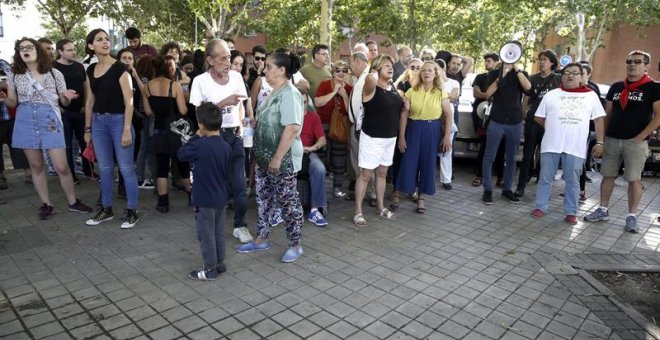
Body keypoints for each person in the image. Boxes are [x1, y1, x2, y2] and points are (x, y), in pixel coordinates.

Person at [1, 37, 92, 219]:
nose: (25, 50)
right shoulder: (14, 75)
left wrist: (66, 96)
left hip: (49, 118)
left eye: (29, 47)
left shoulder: (54, 73)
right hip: (25, 119)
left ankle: (73, 201)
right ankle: (46, 204)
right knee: (36, 165)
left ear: (37, 50)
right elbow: (14, 101)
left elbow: (63, 101)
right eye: (21, 48)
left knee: (62, 166)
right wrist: (3, 99)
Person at [237, 52, 305, 263]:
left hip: (281, 161)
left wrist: (276, 158)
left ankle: (295, 245)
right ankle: (261, 239)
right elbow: (271, 122)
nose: (264, 70)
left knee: (288, 202)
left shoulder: (290, 93)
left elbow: (292, 128)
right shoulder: (273, 92)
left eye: (268, 66)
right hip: (265, 159)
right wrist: (256, 124)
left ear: (282, 70)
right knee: (264, 199)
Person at [584, 50, 660, 233]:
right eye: (629, 61)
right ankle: (603, 209)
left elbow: (658, 116)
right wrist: (601, 140)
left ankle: (631, 216)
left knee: (634, 179)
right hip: (612, 139)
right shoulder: (616, 87)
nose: (632, 64)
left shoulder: (654, 88)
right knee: (607, 175)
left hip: (635, 142)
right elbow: (606, 115)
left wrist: (641, 137)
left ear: (647, 66)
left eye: (638, 62)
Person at [189, 39, 252, 243]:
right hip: (213, 138)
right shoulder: (200, 81)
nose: (228, 62)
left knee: (240, 184)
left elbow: (240, 105)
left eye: (229, 57)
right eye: (223, 58)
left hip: (234, 136)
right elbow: (200, 116)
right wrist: (224, 102)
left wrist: (241, 128)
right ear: (210, 60)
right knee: (216, 186)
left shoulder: (235, 77)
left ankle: (240, 225)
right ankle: (212, 227)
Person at [531, 63, 605, 224]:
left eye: (575, 73)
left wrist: (600, 142)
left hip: (575, 147)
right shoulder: (551, 95)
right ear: (562, 76)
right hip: (551, 144)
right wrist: (552, 127)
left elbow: (599, 120)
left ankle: (571, 211)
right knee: (545, 177)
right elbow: (538, 117)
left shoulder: (591, 95)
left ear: (581, 77)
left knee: (573, 180)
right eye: (567, 73)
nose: (570, 75)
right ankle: (541, 206)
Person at [83, 29, 140, 228]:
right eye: (99, 40)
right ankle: (106, 209)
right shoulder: (90, 70)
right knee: (105, 168)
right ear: (91, 46)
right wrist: (87, 129)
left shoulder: (121, 68)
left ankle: (132, 210)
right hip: (98, 123)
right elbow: (89, 102)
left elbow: (130, 101)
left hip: (119, 121)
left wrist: (126, 128)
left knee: (125, 169)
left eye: (107, 39)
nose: (105, 42)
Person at [177, 102, 231, 281]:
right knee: (218, 232)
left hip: (203, 198)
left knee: (205, 235)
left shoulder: (199, 145)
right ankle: (219, 263)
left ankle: (209, 269)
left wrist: (195, 137)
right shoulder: (225, 146)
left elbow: (181, 154)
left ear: (200, 124)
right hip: (220, 196)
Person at [353, 55, 405, 226]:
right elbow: (369, 78)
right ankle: (358, 211)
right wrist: (375, 71)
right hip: (372, 137)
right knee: (365, 175)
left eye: (391, 65)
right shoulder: (371, 87)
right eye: (385, 66)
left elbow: (401, 110)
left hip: (389, 138)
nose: (390, 68)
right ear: (376, 69)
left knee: (382, 174)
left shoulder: (394, 89)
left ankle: (381, 207)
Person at [396, 61, 452, 213]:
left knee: (427, 163)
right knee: (409, 161)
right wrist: (401, 137)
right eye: (423, 71)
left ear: (435, 74)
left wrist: (447, 136)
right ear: (420, 74)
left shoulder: (441, 91)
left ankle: (421, 198)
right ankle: (400, 192)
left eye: (430, 71)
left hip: (432, 129)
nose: (426, 73)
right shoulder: (412, 91)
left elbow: (448, 114)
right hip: (413, 128)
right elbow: (404, 115)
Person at [142, 55, 190, 212]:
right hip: (175, 132)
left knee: (162, 167)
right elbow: (183, 110)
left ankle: (163, 203)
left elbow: (148, 112)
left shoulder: (147, 86)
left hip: (158, 130)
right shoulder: (174, 85)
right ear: (170, 69)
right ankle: (191, 195)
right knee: (183, 164)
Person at [482, 59, 532, 204]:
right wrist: (501, 75)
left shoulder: (522, 74)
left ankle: (507, 189)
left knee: (511, 158)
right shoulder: (493, 74)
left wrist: (516, 69)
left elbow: (528, 88)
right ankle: (488, 190)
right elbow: (488, 94)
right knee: (489, 156)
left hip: (515, 122)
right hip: (497, 120)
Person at [515, 49, 561, 198]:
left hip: (550, 122)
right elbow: (526, 98)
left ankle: (541, 182)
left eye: (545, 59)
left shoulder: (558, 79)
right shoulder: (533, 78)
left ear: (552, 62)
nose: (541, 62)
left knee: (545, 154)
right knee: (527, 154)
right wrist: (523, 116)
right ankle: (521, 186)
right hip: (533, 120)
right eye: (540, 59)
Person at [55, 39, 93, 184]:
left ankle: (89, 170)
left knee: (86, 142)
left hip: (81, 111)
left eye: (73, 49)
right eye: (69, 50)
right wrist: (58, 107)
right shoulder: (53, 67)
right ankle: (70, 175)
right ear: (60, 51)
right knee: (67, 146)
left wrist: (86, 105)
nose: (73, 52)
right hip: (63, 113)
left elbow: (86, 86)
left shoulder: (79, 66)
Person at [314, 60, 352, 198]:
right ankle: (320, 186)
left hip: (340, 127)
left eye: (344, 70)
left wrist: (344, 95)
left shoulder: (348, 88)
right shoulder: (325, 84)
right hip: (323, 124)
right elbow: (318, 102)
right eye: (338, 70)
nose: (341, 73)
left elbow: (350, 112)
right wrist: (334, 92)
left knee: (339, 158)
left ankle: (337, 188)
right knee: (321, 156)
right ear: (333, 72)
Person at [471, 52, 504, 187]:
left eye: (489, 61)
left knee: (501, 147)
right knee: (484, 146)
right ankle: (480, 175)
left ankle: (500, 176)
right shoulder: (480, 76)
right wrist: (490, 95)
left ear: (497, 62)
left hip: (500, 116)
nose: (486, 63)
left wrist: (486, 95)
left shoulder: (503, 77)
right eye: (485, 61)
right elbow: (476, 93)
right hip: (482, 116)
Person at [0, 58, 31, 190]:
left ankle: (29, 173)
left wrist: (6, 85)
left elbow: (15, 83)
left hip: (12, 113)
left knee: (19, 145)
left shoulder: (4, 64)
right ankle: (1, 177)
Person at [300, 91, 329, 226]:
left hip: (308, 151)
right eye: (299, 102)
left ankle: (315, 210)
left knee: (319, 169)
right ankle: (278, 209)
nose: (302, 105)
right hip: (289, 152)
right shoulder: (287, 116)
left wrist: (311, 148)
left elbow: (322, 140)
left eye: (305, 102)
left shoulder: (313, 117)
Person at [436, 59, 460, 190]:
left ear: (443, 68)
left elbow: (455, 96)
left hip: (448, 119)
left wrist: (442, 98)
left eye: (437, 69)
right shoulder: (434, 84)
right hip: (435, 117)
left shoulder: (453, 82)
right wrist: (447, 97)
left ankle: (446, 179)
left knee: (447, 148)